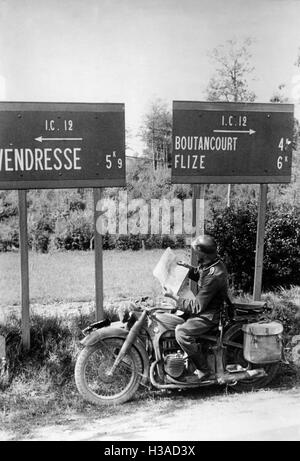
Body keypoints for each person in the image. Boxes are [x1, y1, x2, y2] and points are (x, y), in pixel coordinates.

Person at [163, 234, 230, 383]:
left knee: (181, 333)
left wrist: (174, 297)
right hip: (205, 308)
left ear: (202, 253)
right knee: (172, 317)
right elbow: (202, 275)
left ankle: (203, 369)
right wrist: (189, 269)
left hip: (210, 315)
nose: (194, 254)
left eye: (196, 251)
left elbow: (197, 306)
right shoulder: (211, 263)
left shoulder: (215, 274)